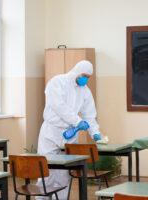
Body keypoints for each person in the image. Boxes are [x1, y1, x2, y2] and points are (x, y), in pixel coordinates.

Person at [36, 60, 101, 200]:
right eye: (84, 75)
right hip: (51, 132)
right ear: (77, 71)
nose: (85, 79)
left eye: (88, 77)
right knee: (46, 170)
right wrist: (77, 121)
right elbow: (59, 107)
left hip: (70, 135)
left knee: (63, 175)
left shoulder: (85, 91)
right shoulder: (57, 82)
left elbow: (89, 114)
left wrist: (95, 132)